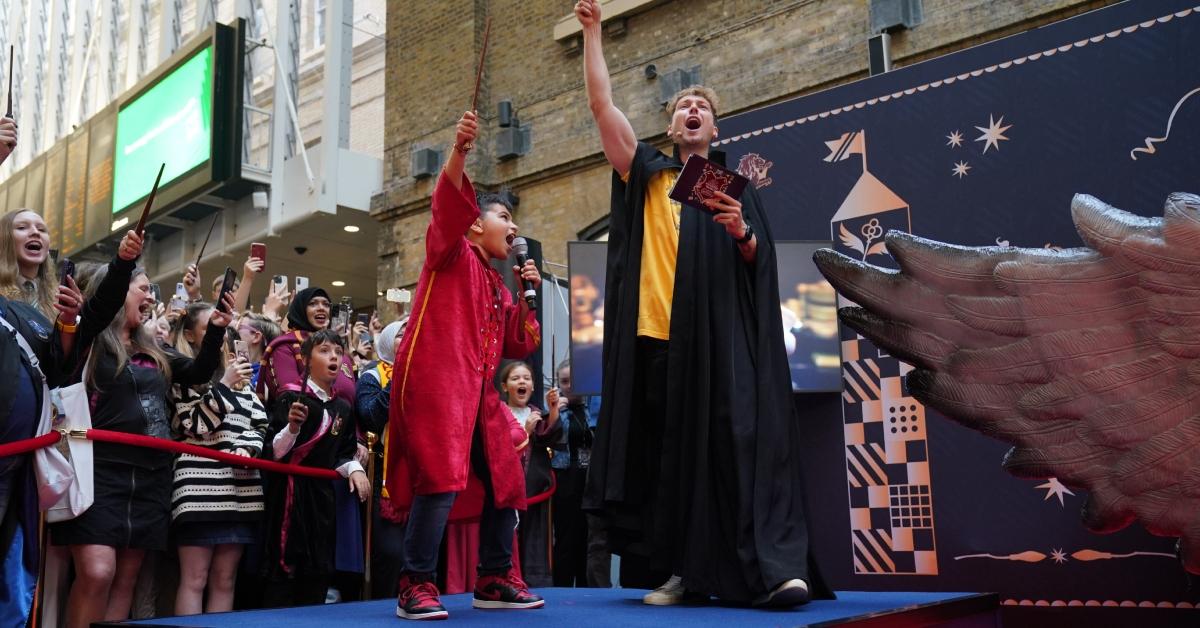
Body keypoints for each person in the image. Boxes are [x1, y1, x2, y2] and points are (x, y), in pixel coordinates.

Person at [575, 0, 827, 608]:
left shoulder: (727, 187)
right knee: (667, 463)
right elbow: (603, 107)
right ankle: (680, 574)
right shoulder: (647, 175)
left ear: (716, 131)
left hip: (719, 349)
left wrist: (741, 232)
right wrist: (591, 35)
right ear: (671, 126)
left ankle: (768, 571)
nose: (693, 110)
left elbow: (758, 266)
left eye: (704, 109)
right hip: (656, 342)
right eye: (685, 106)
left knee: (734, 449)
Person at [386, 110, 545, 620]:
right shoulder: (449, 252)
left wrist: (527, 294)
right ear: (476, 223)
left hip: (479, 395)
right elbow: (445, 206)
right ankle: (415, 584)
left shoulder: (498, 285)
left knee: (506, 475)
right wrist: (458, 150)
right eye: (505, 219)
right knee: (439, 479)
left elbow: (519, 343)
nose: (514, 228)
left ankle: (494, 577)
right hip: (436, 388)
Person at [50, 236, 232, 628]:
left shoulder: (153, 347)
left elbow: (199, 372)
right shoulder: (90, 339)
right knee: (98, 572)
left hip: (151, 476)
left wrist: (215, 329)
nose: (150, 296)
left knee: (125, 581)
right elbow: (98, 310)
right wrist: (122, 263)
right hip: (100, 473)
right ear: (118, 293)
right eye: (144, 288)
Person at [169, 303, 270, 615]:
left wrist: (248, 449)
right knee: (195, 578)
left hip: (240, 490)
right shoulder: (183, 378)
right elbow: (194, 425)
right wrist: (223, 385)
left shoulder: (244, 384)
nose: (222, 337)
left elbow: (259, 424)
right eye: (210, 329)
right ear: (190, 335)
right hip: (198, 490)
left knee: (226, 580)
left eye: (225, 331)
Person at [260, 329, 370, 607]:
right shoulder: (290, 398)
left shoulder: (343, 409)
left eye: (337, 351)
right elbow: (273, 452)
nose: (333, 356)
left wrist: (355, 468)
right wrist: (293, 428)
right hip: (288, 493)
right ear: (306, 361)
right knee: (284, 566)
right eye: (324, 351)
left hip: (321, 498)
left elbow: (343, 453)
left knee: (318, 567)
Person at [355, 318, 407, 598]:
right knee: (390, 552)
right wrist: (400, 376)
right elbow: (370, 416)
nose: (409, 338)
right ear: (387, 341)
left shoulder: (431, 372)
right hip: (384, 472)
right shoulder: (373, 374)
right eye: (402, 334)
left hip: (421, 471)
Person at [500, 361, 561, 588]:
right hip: (507, 491)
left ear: (533, 386)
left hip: (536, 491)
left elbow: (550, 436)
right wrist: (524, 431)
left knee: (536, 542)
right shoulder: (499, 414)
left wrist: (553, 409)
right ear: (505, 386)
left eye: (526, 378)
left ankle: (537, 583)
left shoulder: (537, 414)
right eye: (516, 379)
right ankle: (507, 581)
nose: (522, 382)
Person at [547, 361, 601, 588]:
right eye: (564, 381)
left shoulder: (593, 408)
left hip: (590, 479)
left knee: (588, 537)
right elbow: (549, 437)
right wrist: (555, 412)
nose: (570, 386)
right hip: (566, 478)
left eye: (574, 380)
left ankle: (587, 590)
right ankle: (562, 588)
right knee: (566, 537)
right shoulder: (556, 410)